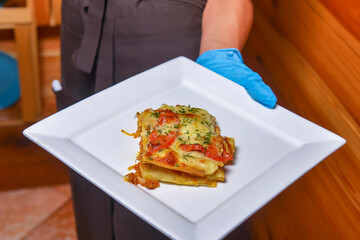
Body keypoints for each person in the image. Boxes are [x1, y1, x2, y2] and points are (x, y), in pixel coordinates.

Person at [56, 0, 277, 239]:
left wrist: (220, 48)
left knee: (172, 215)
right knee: (90, 185)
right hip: (80, 20)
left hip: (173, 27)